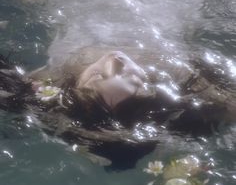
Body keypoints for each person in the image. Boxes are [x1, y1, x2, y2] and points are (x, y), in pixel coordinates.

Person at [0, 47, 235, 168]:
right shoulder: (172, 92)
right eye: (132, 77)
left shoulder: (53, 90)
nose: (115, 60)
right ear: (145, 85)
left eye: (96, 74)